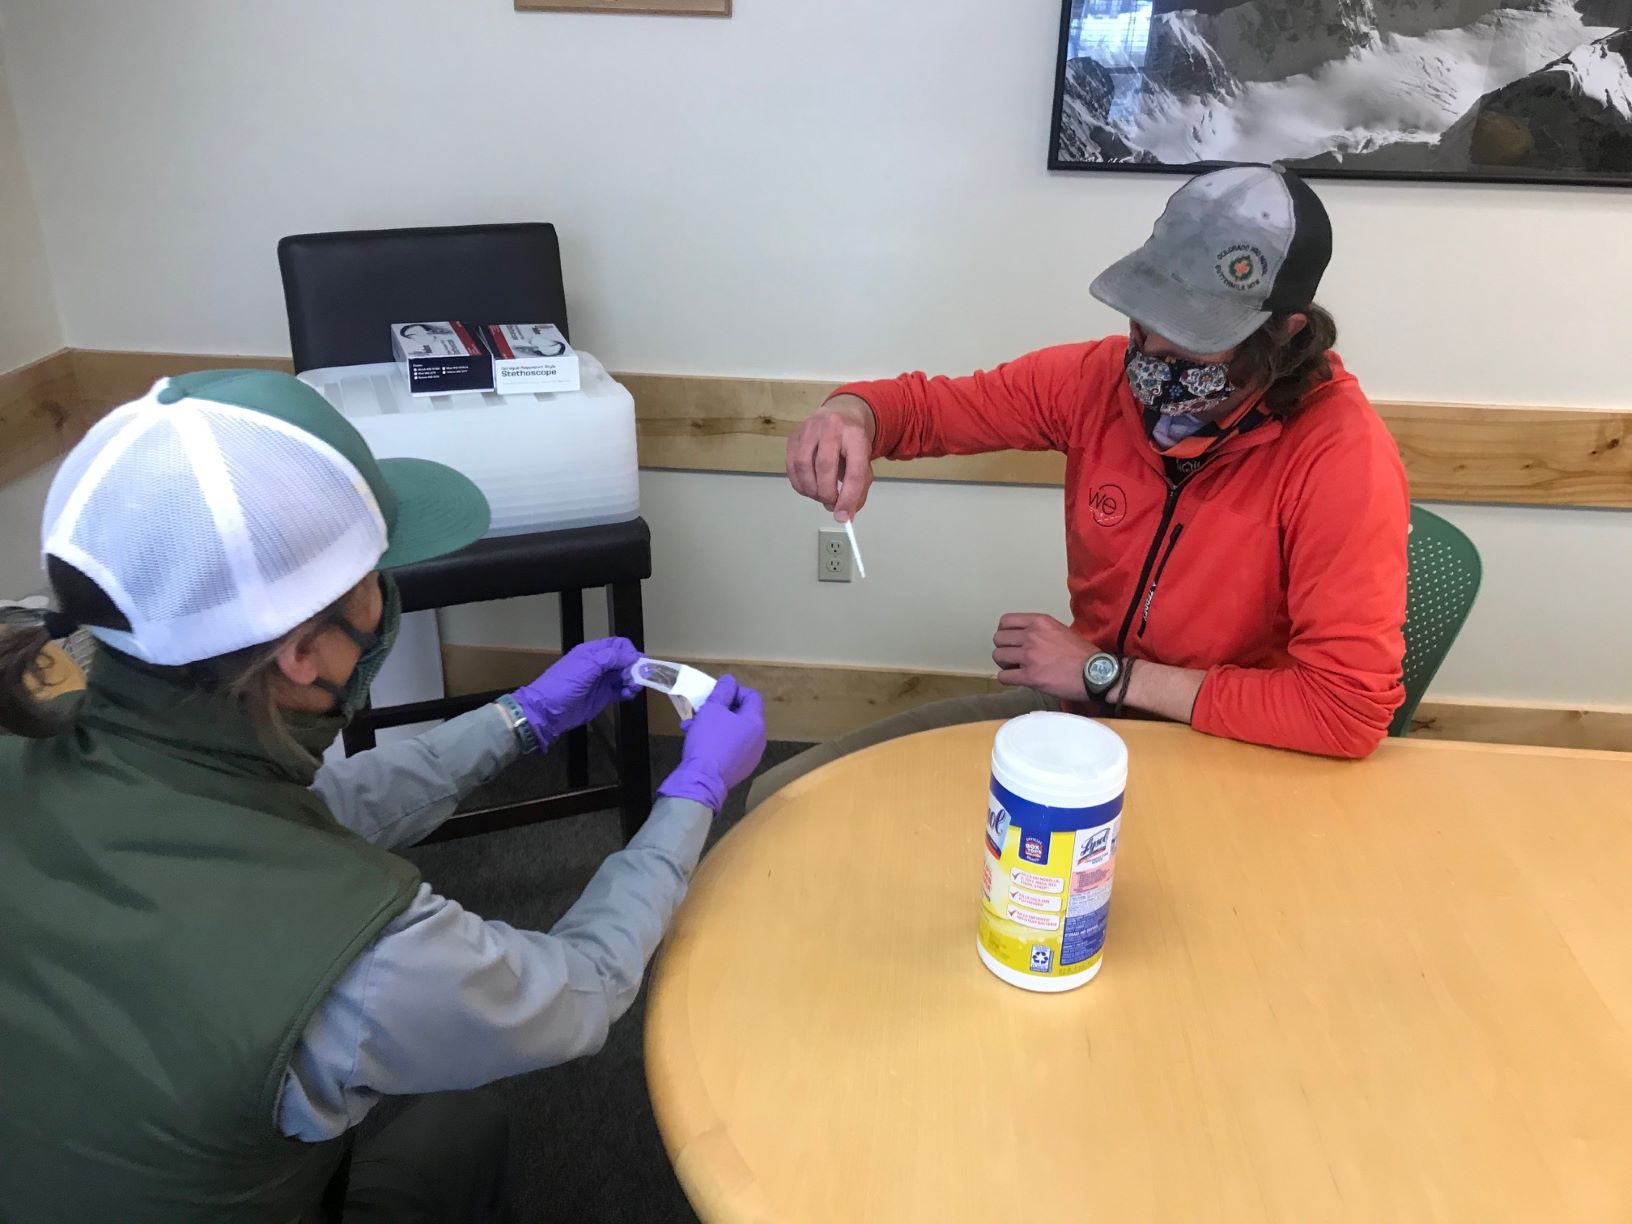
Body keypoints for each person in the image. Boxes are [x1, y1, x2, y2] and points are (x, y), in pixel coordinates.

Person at [0, 370, 767, 1223]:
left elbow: (298, 819)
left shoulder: (38, 735)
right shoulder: (368, 967)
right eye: (375, 572)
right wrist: (693, 793)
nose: (385, 590)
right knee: (466, 1125)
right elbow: (578, 991)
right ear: (301, 653)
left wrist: (520, 720)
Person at [760, 164, 1407, 806]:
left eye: (1192, 334)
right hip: (1085, 716)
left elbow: (1343, 711)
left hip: (1233, 752)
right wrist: (852, 416)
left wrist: (1105, 673)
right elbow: (928, 410)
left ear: (1284, 333)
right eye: (1145, 316)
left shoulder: (1341, 456)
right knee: (789, 795)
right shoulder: (1098, 381)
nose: (1152, 350)